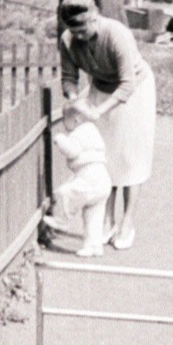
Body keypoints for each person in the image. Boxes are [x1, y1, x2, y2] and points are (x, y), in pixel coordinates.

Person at [58, 0, 156, 250]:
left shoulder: (117, 34)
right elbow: (68, 78)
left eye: (83, 28)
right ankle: (107, 219)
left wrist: (100, 111)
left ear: (95, 17)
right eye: (73, 29)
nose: (78, 35)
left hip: (135, 91)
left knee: (131, 158)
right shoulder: (67, 41)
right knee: (107, 157)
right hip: (100, 88)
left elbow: (127, 84)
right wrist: (73, 99)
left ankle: (127, 222)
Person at [43, 101, 113, 257]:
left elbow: (72, 151)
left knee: (65, 192)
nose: (63, 123)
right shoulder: (93, 130)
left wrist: (60, 139)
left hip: (90, 178)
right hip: (102, 179)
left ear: (76, 120)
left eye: (64, 118)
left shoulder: (80, 132)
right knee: (93, 215)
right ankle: (93, 246)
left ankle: (62, 220)